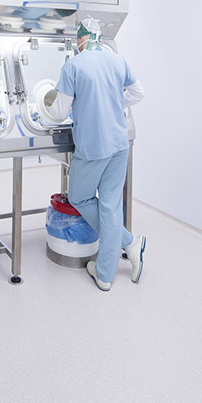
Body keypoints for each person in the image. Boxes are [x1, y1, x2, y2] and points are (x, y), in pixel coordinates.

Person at [43, 18, 146, 292]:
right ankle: (113, 265)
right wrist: (115, 103)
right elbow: (139, 92)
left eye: (77, 39)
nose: (76, 43)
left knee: (79, 197)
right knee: (110, 206)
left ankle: (124, 247)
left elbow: (59, 111)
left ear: (82, 38)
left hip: (93, 147)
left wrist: (44, 111)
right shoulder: (118, 60)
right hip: (119, 144)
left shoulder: (74, 65)